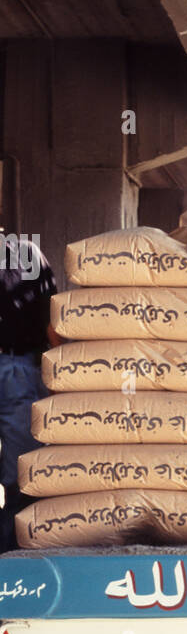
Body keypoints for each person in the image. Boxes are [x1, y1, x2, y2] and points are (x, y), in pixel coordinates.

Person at [0, 234, 55, 552]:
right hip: (18, 369)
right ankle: (13, 553)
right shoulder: (25, 252)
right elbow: (54, 323)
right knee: (23, 473)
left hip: (17, 368)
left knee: (21, 474)